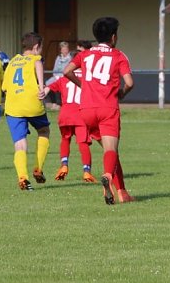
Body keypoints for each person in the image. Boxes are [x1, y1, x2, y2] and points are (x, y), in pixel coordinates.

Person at [63, 17, 135, 205]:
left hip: (86, 110)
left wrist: (84, 86)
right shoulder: (118, 55)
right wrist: (121, 93)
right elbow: (129, 82)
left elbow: (67, 71)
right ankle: (108, 177)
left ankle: (122, 193)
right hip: (107, 108)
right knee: (111, 150)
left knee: (112, 153)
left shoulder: (85, 54)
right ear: (113, 36)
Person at [2, 32, 50, 191]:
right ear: (36, 47)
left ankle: (23, 177)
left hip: (13, 106)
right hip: (32, 102)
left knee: (20, 144)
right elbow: (38, 62)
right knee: (43, 131)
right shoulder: (35, 58)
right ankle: (38, 167)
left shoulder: (13, 61)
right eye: (41, 48)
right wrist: (41, 85)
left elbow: (4, 88)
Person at [43, 67, 98, 183]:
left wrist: (43, 92)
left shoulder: (65, 78)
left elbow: (48, 88)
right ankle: (87, 171)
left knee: (65, 139)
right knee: (83, 143)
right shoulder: (88, 78)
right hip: (81, 114)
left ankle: (64, 165)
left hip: (65, 114)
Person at [46, 41, 73, 110]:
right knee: (48, 83)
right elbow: (55, 69)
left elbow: (69, 69)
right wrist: (56, 76)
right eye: (63, 49)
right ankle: (52, 102)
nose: (65, 51)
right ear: (61, 50)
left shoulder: (70, 58)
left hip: (66, 76)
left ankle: (59, 103)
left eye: (66, 49)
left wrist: (61, 76)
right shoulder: (58, 58)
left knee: (60, 83)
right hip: (57, 76)